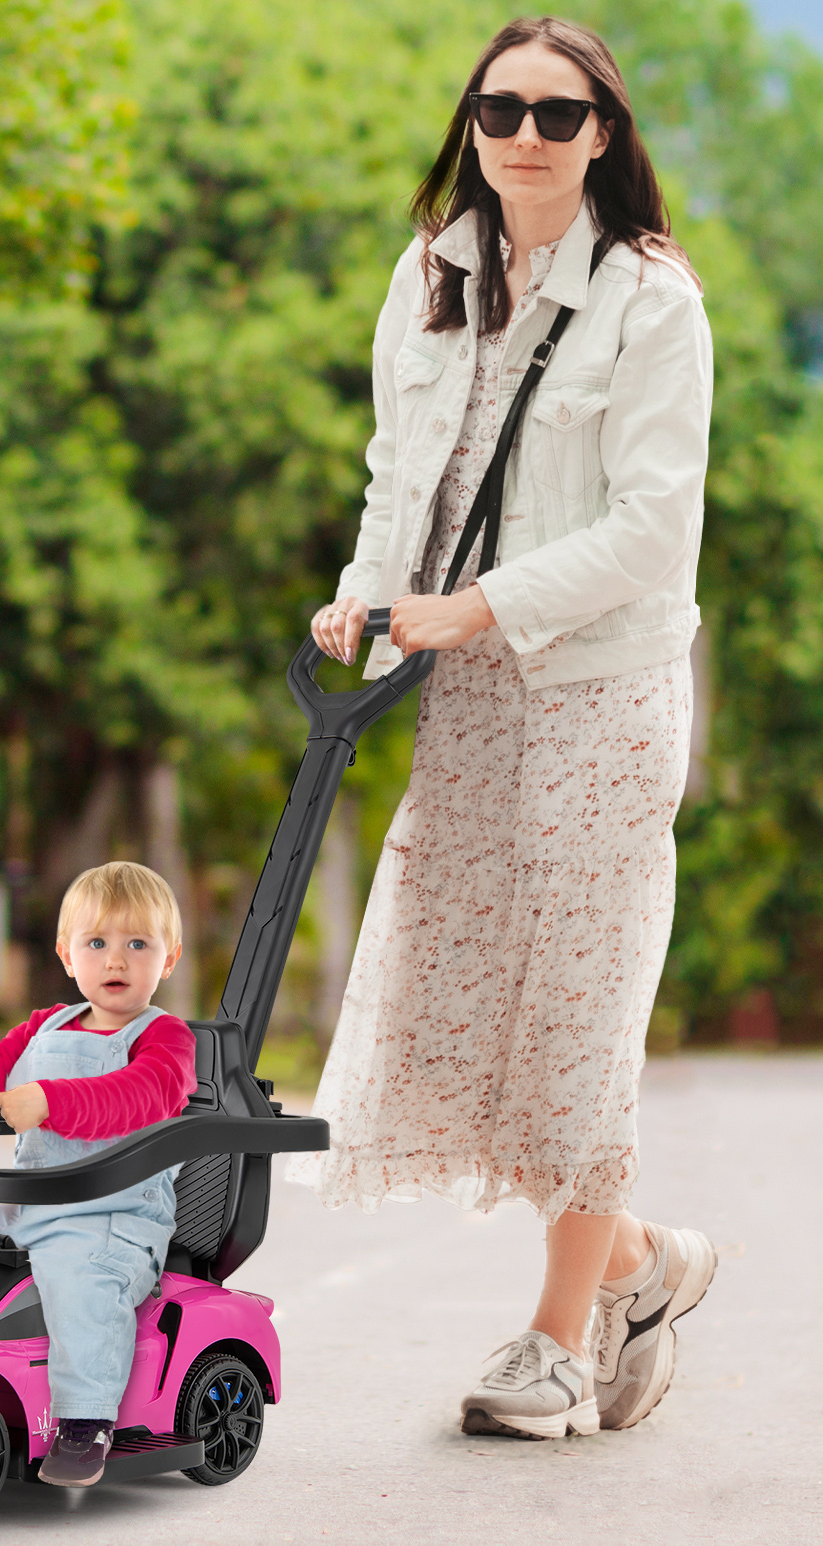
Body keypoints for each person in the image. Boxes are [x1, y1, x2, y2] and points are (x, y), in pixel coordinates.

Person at [288, 16, 717, 1441]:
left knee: (581, 1007)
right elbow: (394, 474)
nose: (525, 134)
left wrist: (481, 604)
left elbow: (655, 529)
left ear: (605, 135)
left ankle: (555, 1343)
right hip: (456, 691)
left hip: (601, 685)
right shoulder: (424, 278)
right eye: (500, 109)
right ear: (470, 127)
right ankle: (646, 1267)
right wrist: (363, 597)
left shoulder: (653, 300)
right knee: (464, 1012)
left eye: (558, 112)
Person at [0, 861, 196, 1486]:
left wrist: (53, 1100)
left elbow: (140, 1096)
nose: (117, 959)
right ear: (67, 955)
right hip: (32, 1202)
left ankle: (85, 1424)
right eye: (98, 943)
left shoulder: (165, 1040)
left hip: (112, 1215)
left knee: (82, 1284)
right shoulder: (46, 1027)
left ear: (168, 960)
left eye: (138, 944)